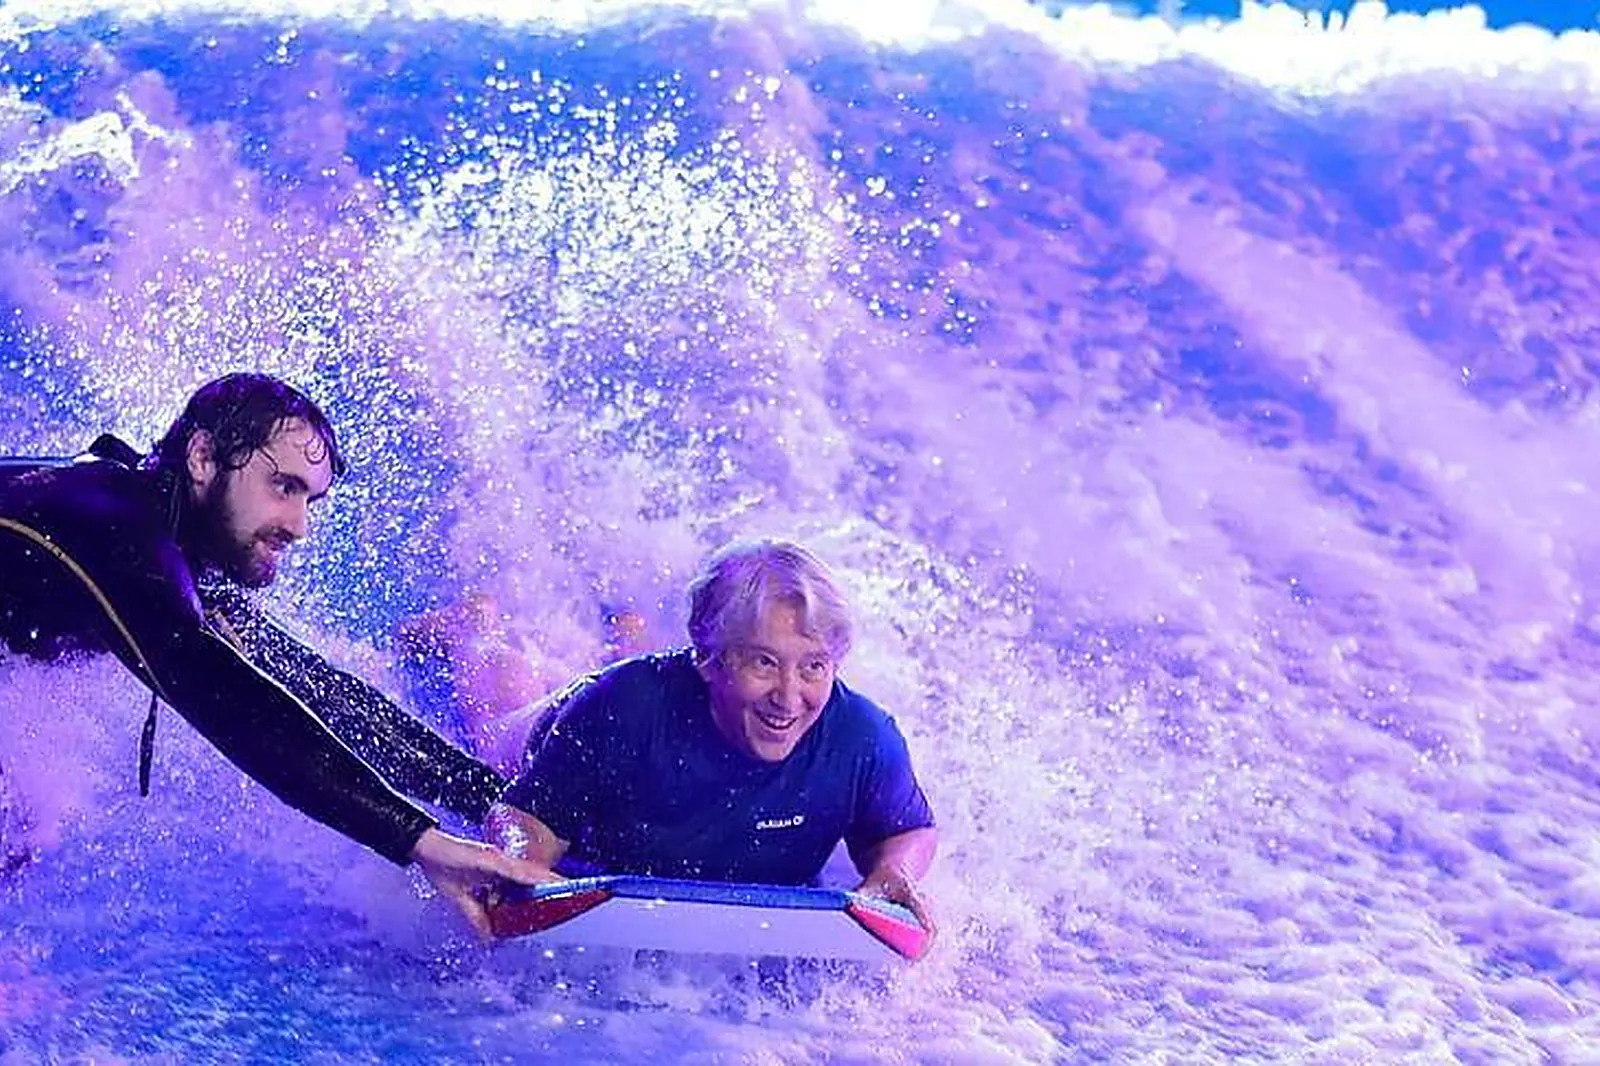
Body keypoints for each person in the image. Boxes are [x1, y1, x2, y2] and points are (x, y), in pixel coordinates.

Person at [0, 372, 549, 933]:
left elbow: (313, 692)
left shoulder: (175, 547)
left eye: (309, 499)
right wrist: (420, 841)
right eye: (282, 487)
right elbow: (225, 697)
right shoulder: (109, 528)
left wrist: (495, 800)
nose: (299, 526)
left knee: (21, 818)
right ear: (203, 457)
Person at [487, 538, 939, 936]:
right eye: (764, 662)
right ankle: (473, 629)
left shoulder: (860, 735)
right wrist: (524, 861)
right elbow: (526, 815)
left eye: (813, 666)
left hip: (657, 708)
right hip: (567, 724)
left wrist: (892, 872)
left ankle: (627, 629)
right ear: (707, 658)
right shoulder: (620, 708)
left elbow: (909, 829)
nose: (789, 695)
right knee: (495, 724)